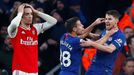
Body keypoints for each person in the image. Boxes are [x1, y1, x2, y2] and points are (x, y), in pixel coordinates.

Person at [7, 3, 57, 75]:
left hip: (34, 71)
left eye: (31, 14)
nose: (30, 16)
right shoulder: (14, 30)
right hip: (20, 70)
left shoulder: (35, 28)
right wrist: (20, 12)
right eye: (27, 14)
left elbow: (53, 21)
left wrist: (36, 12)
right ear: (21, 16)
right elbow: (14, 24)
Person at [80, 10, 126, 75]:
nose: (107, 21)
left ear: (116, 20)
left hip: (104, 70)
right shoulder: (106, 31)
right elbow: (99, 37)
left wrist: (91, 43)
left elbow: (110, 49)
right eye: (106, 19)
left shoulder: (120, 36)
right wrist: (90, 30)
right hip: (93, 66)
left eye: (110, 19)